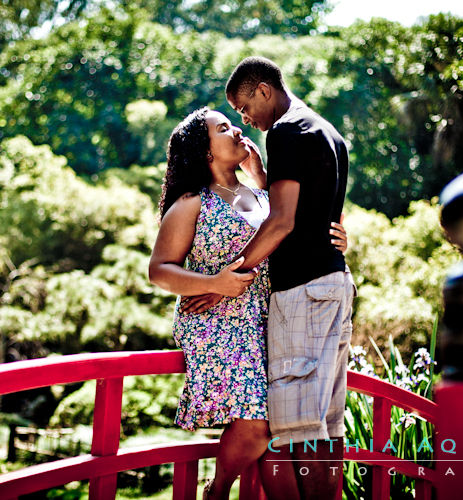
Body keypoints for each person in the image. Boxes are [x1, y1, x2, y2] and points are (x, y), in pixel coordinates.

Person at [148, 107, 347, 500]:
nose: (236, 129)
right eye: (223, 128)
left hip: (265, 318)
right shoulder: (192, 202)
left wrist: (339, 238)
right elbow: (159, 270)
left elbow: (292, 224)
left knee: (278, 425)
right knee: (257, 424)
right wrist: (214, 283)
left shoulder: (260, 195)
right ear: (205, 152)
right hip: (216, 322)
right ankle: (217, 490)